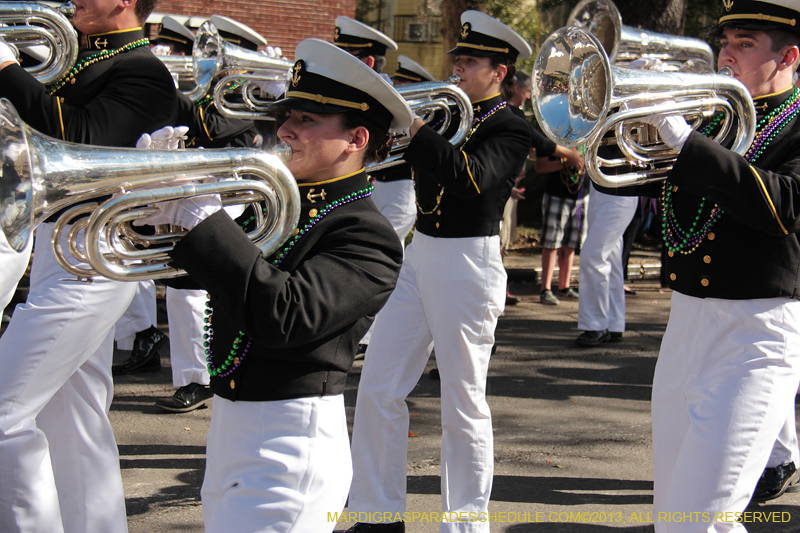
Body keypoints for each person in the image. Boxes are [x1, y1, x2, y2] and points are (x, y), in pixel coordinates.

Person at [138, 38, 409, 532]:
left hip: (291, 441)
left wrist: (204, 221)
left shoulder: (368, 235)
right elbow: (209, 279)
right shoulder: (279, 204)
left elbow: (283, 317)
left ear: (356, 139)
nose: (285, 128)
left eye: (307, 120)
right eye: (288, 115)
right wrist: (159, 216)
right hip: (230, 426)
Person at [343, 11, 532, 533]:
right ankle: (378, 514)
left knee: (463, 399)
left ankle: (465, 522)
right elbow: (394, 165)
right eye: (457, 60)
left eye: (469, 63)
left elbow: (470, 178)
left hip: (468, 262)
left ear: (499, 72)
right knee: (379, 385)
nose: (457, 71)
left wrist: (417, 128)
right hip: (421, 251)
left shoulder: (510, 127)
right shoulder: (451, 117)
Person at [0, 0, 178, 530]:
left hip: (92, 259)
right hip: (64, 250)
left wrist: (7, 69)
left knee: (4, 415)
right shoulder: (80, 61)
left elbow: (78, 134)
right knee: (73, 418)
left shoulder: (143, 71)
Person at [630, 0, 800, 529]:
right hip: (685, 322)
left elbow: (784, 206)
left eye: (745, 45)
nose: (727, 56)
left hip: (758, 331)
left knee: (703, 516)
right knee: (671, 515)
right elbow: (611, 178)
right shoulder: (715, 119)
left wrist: (686, 142)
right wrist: (630, 129)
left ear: (789, 56)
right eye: (726, 43)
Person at [503, 70, 585, 306]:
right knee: (552, 242)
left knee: (571, 242)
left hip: (580, 195)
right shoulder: (555, 130)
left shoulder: (583, 131)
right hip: (558, 194)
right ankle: (546, 288)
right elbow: (539, 166)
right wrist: (565, 161)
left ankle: (565, 285)